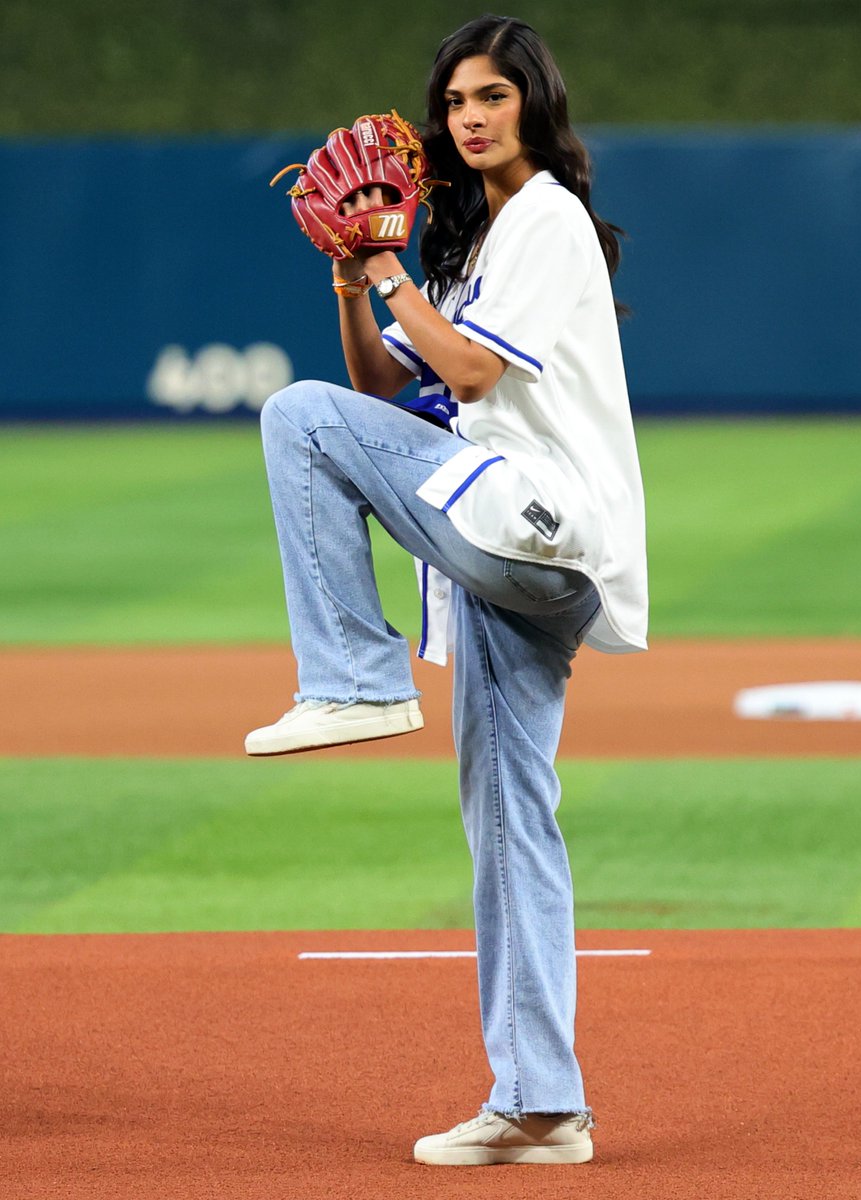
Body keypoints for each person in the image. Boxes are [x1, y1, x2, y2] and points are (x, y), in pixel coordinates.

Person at [245, 13, 648, 1167]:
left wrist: (388, 272)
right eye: (458, 102)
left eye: (493, 98)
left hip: (537, 528)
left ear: (534, 106)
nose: (471, 118)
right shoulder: (472, 251)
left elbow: (468, 370)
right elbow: (393, 393)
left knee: (293, 414)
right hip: (495, 550)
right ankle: (542, 1105)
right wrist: (350, 285)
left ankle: (355, 680)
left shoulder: (549, 221)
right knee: (512, 824)